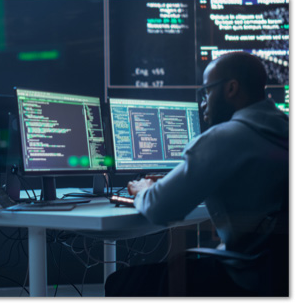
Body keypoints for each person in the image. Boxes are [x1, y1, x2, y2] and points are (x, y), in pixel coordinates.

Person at [105, 52, 288, 296]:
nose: (203, 102)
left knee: (119, 282)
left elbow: (160, 209)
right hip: (281, 277)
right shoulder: (284, 129)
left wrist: (145, 189)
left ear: (231, 88)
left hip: (243, 277)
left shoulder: (224, 137)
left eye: (207, 91)